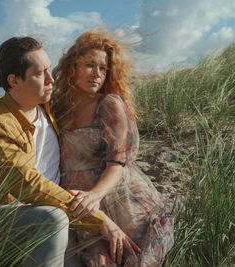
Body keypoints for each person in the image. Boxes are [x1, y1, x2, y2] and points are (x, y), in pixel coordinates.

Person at [0, 36, 140, 266]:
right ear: (14, 81)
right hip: (6, 214)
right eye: (41, 74)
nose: (51, 79)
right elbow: (26, 185)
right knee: (52, 219)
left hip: (56, 205)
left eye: (50, 70)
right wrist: (99, 219)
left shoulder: (48, 106)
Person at [51, 27, 174, 266]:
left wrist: (94, 196)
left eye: (103, 68)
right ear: (72, 66)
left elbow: (117, 164)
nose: (97, 74)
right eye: (89, 65)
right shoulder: (58, 107)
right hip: (72, 198)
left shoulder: (110, 105)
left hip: (110, 196)